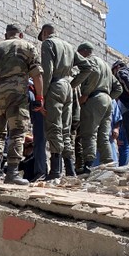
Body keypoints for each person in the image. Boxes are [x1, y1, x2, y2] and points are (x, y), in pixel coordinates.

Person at [0, 24, 44, 186]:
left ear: (6, 35)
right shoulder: (28, 46)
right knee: (17, 132)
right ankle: (12, 173)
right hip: (17, 95)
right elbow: (37, 74)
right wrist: (39, 97)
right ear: (20, 35)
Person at [71, 42, 121, 173]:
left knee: (89, 133)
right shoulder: (105, 66)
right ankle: (109, 162)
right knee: (103, 135)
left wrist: (86, 94)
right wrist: (110, 97)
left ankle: (88, 165)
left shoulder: (91, 61)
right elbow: (119, 88)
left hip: (94, 99)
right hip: (107, 101)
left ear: (83, 52)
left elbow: (92, 74)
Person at [39, 23, 78, 180]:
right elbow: (87, 66)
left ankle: (55, 170)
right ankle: (70, 170)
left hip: (55, 85)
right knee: (65, 130)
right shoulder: (69, 46)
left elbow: (47, 71)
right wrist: (72, 84)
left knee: (54, 127)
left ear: (45, 33)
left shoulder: (48, 43)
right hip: (68, 87)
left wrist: (41, 96)